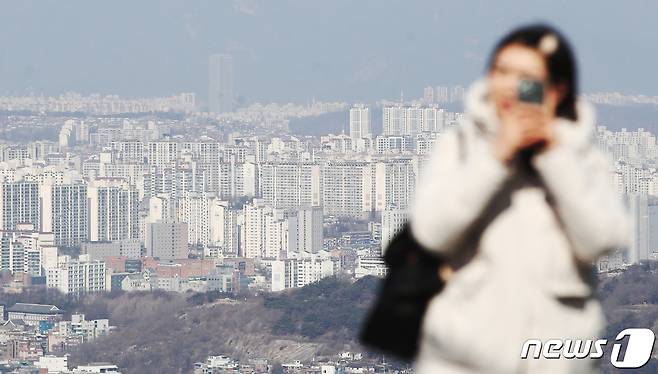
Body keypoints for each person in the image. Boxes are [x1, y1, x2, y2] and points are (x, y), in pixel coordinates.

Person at [409, 23, 631, 373]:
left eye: (526, 77)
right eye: (501, 71)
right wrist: (496, 156)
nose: (510, 85)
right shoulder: (461, 147)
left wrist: (552, 154)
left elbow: (601, 239)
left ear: (555, 91)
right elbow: (432, 231)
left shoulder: (581, 157)